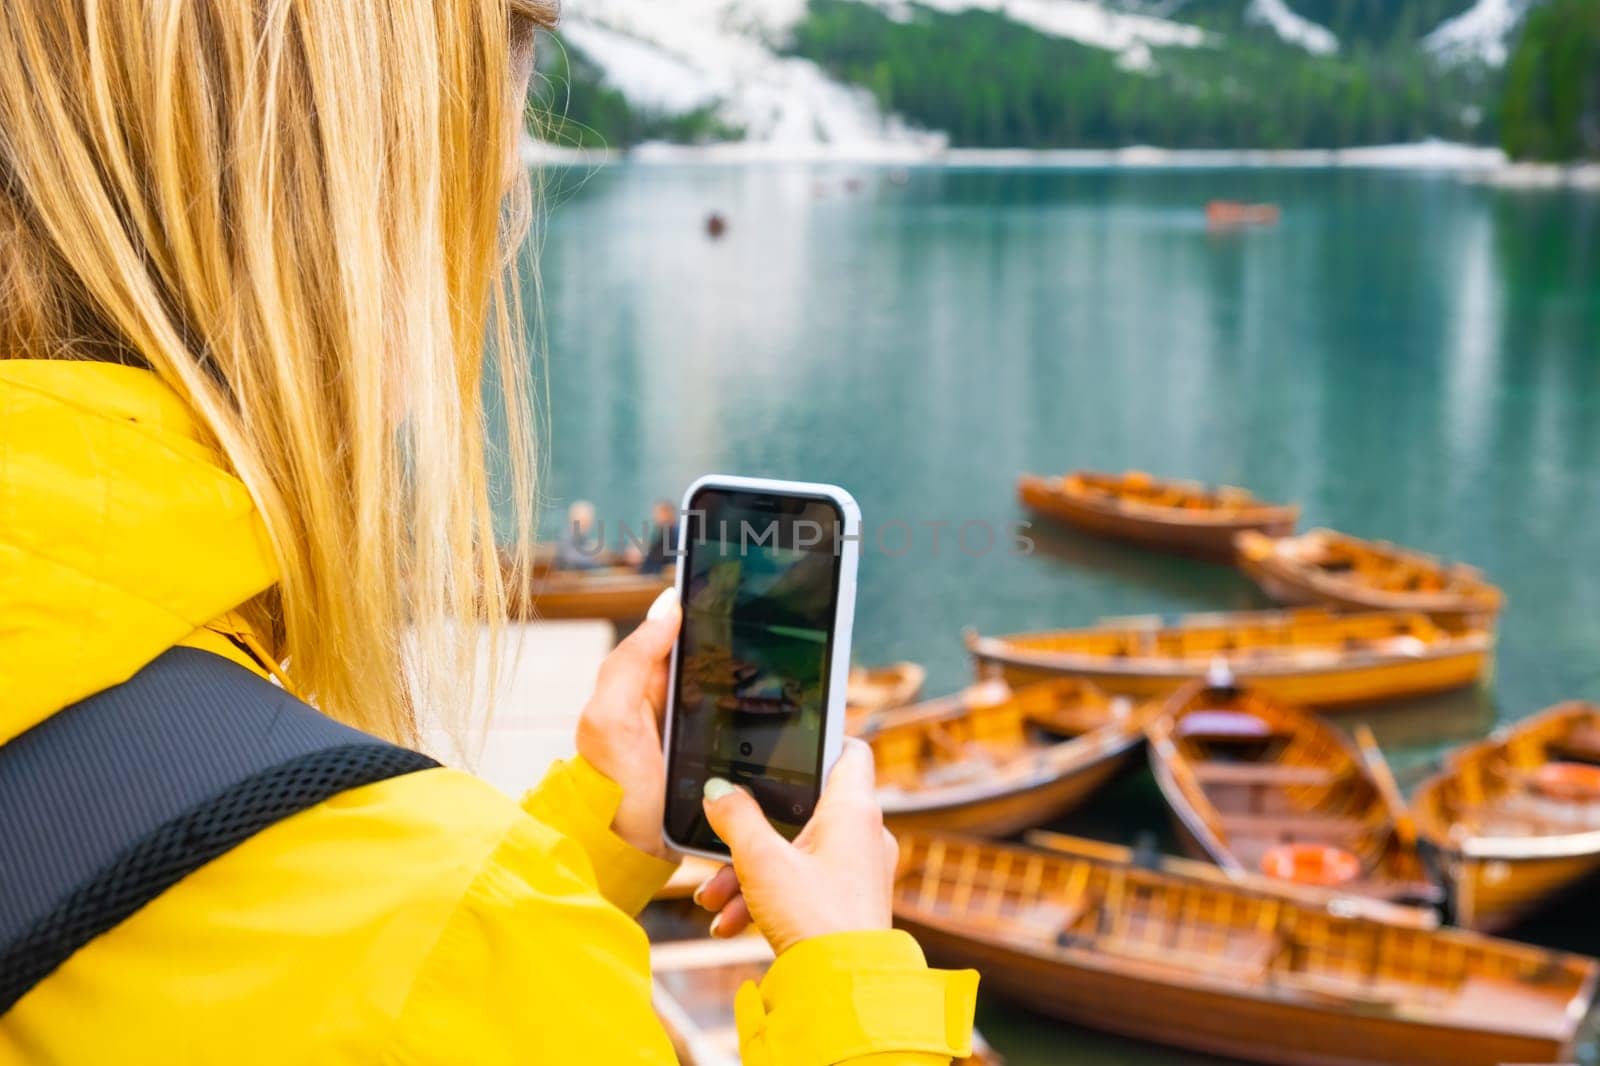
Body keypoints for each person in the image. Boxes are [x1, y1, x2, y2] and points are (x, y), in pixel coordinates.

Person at [0, 2, 978, 1063]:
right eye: (483, 213)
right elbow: (397, 974)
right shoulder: (446, 930)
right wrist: (851, 975)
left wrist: (591, 835)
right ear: (346, 244)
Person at [554, 499, 607, 570]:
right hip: (567, 577)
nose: (586, 526)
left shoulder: (581, 537)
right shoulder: (565, 537)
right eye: (583, 522)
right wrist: (594, 553)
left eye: (588, 522)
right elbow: (572, 558)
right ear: (571, 520)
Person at [637, 498, 680, 574]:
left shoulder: (675, 535)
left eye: (660, 514)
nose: (656, 518)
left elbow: (672, 565)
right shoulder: (662, 533)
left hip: (660, 578)